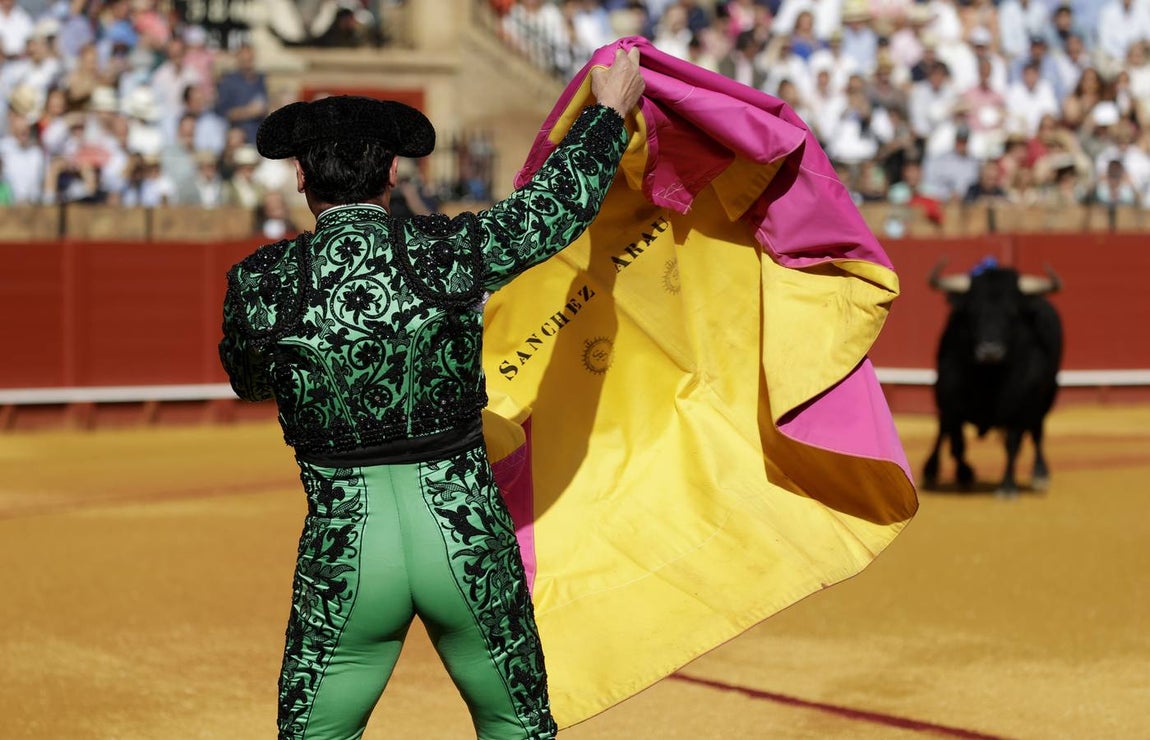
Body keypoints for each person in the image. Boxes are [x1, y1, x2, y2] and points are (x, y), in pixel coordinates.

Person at [218, 47, 645, 740]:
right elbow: (549, 213)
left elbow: (249, 380)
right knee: (517, 726)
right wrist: (606, 115)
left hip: (345, 549)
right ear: (391, 173)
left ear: (299, 177)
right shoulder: (444, 252)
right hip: (464, 533)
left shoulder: (260, 283)